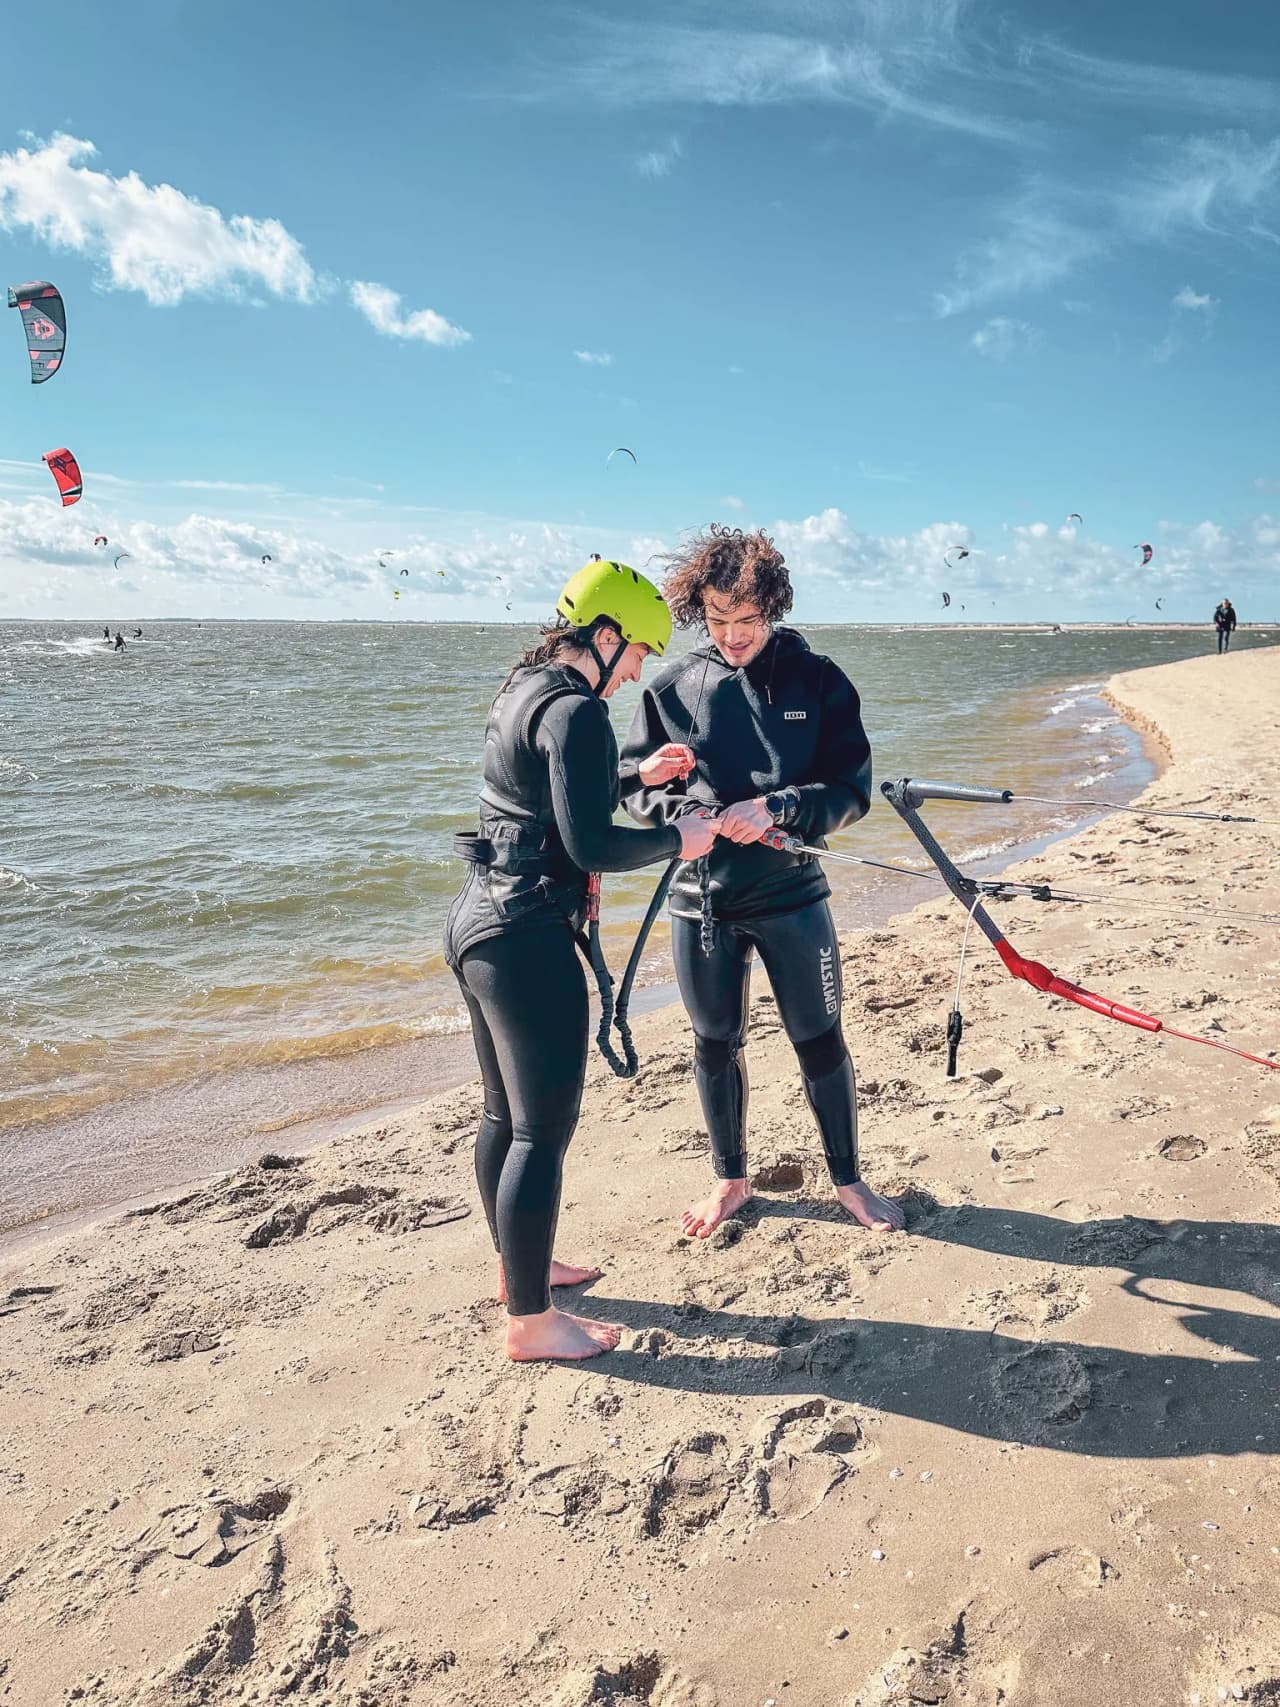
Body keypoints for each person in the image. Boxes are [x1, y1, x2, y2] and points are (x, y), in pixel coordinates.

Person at [445, 558, 717, 1361]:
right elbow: (590, 840)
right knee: (541, 1129)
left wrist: (638, 770)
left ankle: (517, 1271)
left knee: (503, 1116)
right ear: (602, 637)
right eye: (635, 651)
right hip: (525, 938)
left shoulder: (524, 690)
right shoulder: (581, 714)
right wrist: (682, 836)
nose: (638, 670)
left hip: (476, 924)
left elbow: (554, 796)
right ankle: (530, 1324)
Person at [620, 525, 904, 1240]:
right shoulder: (673, 688)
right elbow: (634, 789)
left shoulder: (818, 680)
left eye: (747, 620)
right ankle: (730, 1179)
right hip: (701, 900)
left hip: (793, 893)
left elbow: (851, 789)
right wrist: (690, 815)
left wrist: (779, 807)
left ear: (772, 608)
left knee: (819, 1036)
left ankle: (848, 1180)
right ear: (698, 612)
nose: (733, 635)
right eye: (717, 620)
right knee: (715, 1041)